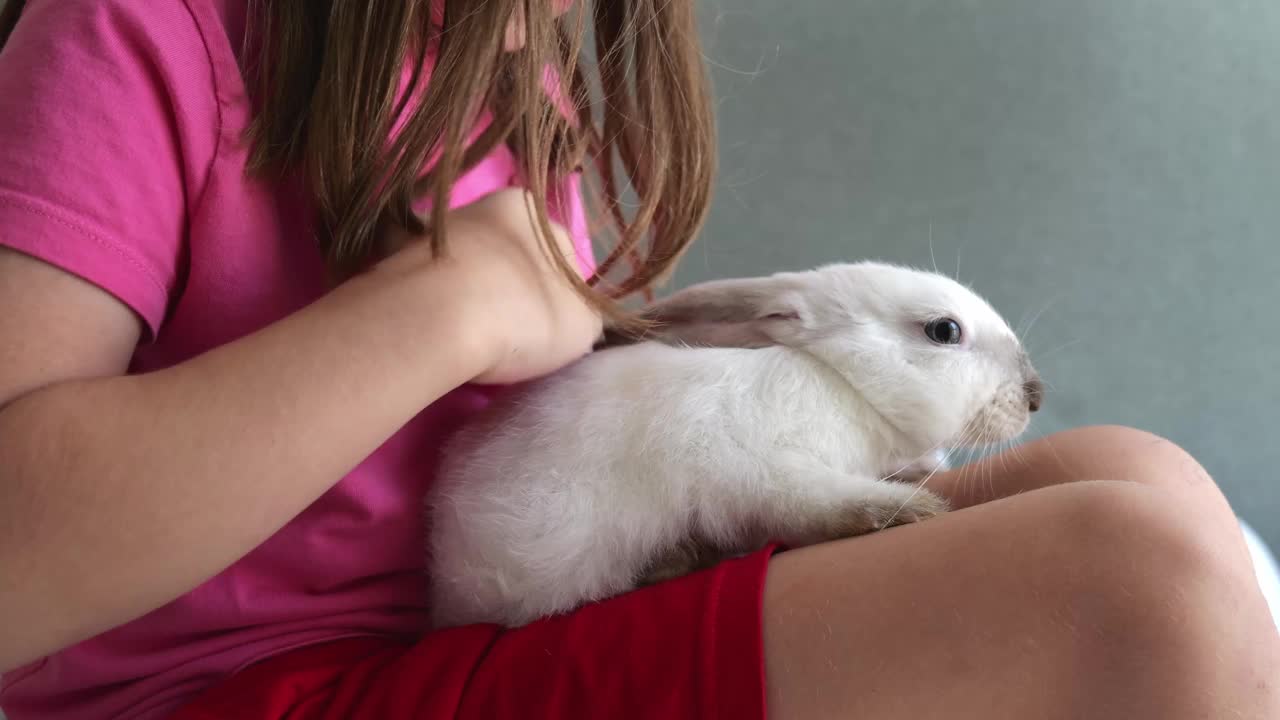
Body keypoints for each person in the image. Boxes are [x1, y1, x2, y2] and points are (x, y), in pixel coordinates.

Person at [0, 1, 1275, 718]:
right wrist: (443, 310)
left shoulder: (512, 90)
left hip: (459, 644)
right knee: (1135, 579)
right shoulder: (138, 32)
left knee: (1131, 478)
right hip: (218, 697)